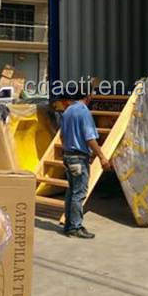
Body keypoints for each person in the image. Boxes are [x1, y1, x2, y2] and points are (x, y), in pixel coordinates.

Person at [59, 91, 110, 239]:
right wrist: (102, 157)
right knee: (79, 193)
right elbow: (90, 138)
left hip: (68, 156)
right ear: (87, 96)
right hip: (78, 158)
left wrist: (67, 149)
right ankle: (75, 227)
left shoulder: (67, 111)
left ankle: (69, 225)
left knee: (71, 192)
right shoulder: (83, 112)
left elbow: (62, 135)